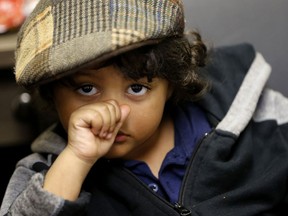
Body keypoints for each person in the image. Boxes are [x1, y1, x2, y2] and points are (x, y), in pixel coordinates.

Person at [1, 0, 288, 215]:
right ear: (52, 94)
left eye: (137, 88)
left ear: (173, 83)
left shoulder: (245, 119)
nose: (113, 112)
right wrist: (76, 159)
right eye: (87, 89)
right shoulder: (45, 174)